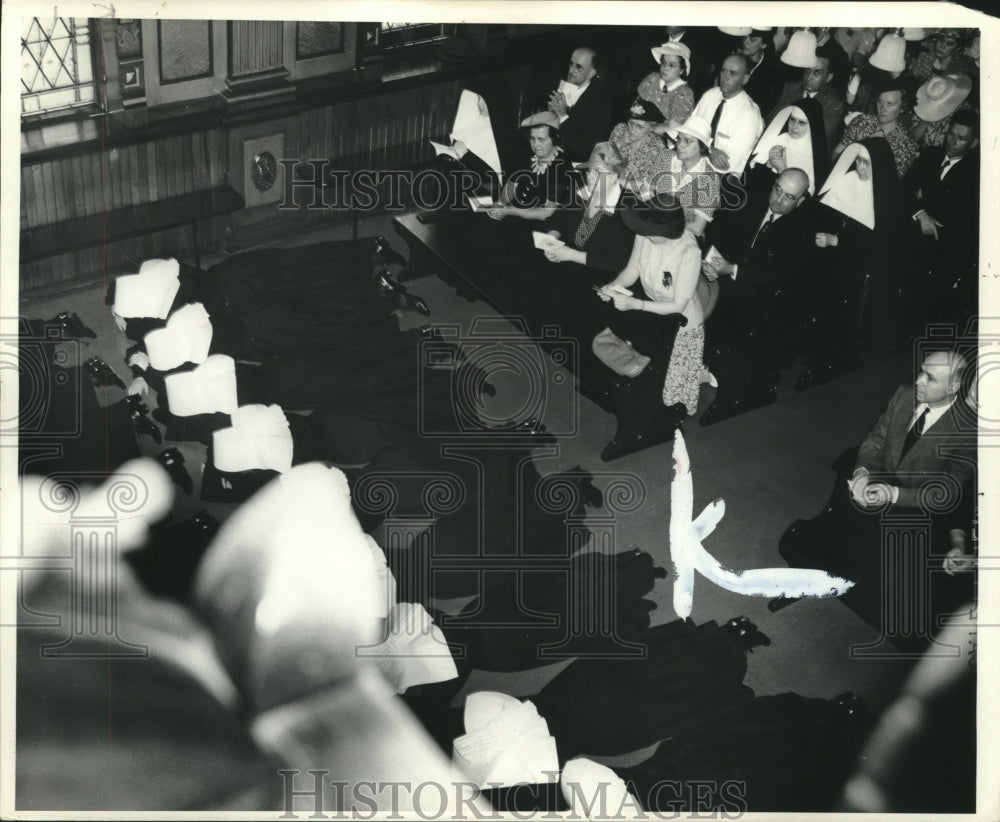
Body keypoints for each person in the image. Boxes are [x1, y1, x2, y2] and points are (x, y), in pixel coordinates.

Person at [775, 349, 976, 638]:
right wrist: (862, 472)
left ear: (953, 387)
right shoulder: (905, 394)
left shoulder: (966, 429)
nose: (918, 380)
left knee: (882, 561)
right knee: (845, 524)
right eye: (920, 371)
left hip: (918, 508)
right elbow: (876, 439)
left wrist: (894, 494)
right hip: (879, 484)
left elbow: (947, 491)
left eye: (930, 378)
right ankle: (822, 564)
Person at [699, 168, 815, 425]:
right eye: (777, 190)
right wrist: (711, 261)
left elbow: (780, 274)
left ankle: (721, 369)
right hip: (734, 277)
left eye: (788, 197)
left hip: (771, 296)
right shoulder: (753, 201)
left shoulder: (803, 229)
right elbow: (719, 231)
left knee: (733, 309)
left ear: (801, 200)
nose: (777, 200)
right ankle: (700, 359)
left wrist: (732, 270)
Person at [594, 194, 701, 460]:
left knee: (667, 384)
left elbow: (678, 305)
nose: (649, 236)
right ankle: (637, 409)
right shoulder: (644, 234)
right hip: (652, 310)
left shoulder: (690, 252)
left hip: (681, 322)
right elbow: (631, 273)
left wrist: (636, 305)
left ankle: (657, 423)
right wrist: (612, 287)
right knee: (646, 369)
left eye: (656, 232)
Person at [796, 139, 904, 390]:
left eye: (867, 163)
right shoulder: (847, 180)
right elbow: (825, 212)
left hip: (859, 269)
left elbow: (879, 244)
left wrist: (837, 241)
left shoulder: (886, 195)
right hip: (830, 259)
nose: (860, 167)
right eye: (858, 160)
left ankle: (836, 358)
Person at [903, 108, 980, 330]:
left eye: (961, 138)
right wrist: (921, 212)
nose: (952, 141)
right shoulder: (931, 154)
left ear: (973, 143)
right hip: (914, 234)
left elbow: (963, 222)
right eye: (951, 134)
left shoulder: (976, 173)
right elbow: (904, 189)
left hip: (946, 250)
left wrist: (922, 200)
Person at [537, 141, 633, 279]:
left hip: (598, 276)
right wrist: (552, 240)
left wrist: (570, 255)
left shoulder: (627, 206)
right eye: (589, 170)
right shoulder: (580, 188)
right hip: (565, 262)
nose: (590, 177)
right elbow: (557, 219)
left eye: (598, 172)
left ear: (613, 177)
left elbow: (617, 261)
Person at [482, 111, 575, 222]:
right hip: (513, 215)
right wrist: (499, 205)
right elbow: (511, 186)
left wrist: (508, 211)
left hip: (540, 225)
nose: (535, 145)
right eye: (532, 138)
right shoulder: (528, 154)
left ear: (554, 139)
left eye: (541, 139)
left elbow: (546, 213)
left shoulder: (562, 166)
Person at [690, 53, 764, 174]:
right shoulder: (710, 95)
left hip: (719, 179)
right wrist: (710, 150)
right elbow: (689, 131)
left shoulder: (749, 115)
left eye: (733, 73)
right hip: (691, 164)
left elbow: (729, 165)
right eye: (723, 71)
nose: (725, 77)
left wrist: (700, 148)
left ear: (745, 79)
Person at [746, 98, 831, 196]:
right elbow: (752, 175)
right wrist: (768, 165)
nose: (794, 125)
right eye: (792, 119)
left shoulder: (816, 158)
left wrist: (782, 169)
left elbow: (803, 197)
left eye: (802, 122)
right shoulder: (778, 138)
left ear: (812, 125)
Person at [769, 46, 847, 148]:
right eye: (807, 70)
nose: (809, 77)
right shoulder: (792, 87)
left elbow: (816, 140)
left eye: (817, 73)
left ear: (829, 77)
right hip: (778, 143)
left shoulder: (834, 104)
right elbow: (772, 119)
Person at [659, 116, 722, 238]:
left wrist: (663, 222)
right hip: (651, 223)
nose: (680, 145)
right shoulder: (666, 157)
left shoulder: (709, 179)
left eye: (687, 141)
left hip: (681, 234)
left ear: (702, 147)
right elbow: (646, 188)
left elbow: (697, 228)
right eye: (679, 139)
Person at [836, 84, 919, 178]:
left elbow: (892, 182)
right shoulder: (862, 121)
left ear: (902, 108)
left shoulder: (906, 144)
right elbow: (837, 153)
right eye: (880, 102)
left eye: (890, 104)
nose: (883, 108)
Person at [547, 46, 612, 162]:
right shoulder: (558, 87)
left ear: (591, 73)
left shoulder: (600, 102)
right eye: (571, 64)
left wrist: (562, 116)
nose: (571, 70)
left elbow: (582, 150)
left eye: (578, 67)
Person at [609, 98, 671, 193]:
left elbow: (651, 187)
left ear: (652, 127)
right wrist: (619, 144)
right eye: (631, 123)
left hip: (631, 197)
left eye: (639, 127)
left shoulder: (658, 148)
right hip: (605, 187)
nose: (632, 131)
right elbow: (600, 161)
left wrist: (617, 182)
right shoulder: (620, 130)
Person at [637, 41, 696, 130]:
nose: (665, 67)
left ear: (681, 70)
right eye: (663, 62)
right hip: (636, 128)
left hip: (660, 139)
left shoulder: (684, 93)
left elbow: (673, 130)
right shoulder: (652, 78)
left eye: (672, 65)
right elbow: (635, 108)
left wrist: (646, 129)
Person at [740, 28, 781, 114]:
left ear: (764, 45)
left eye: (752, 39)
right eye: (744, 37)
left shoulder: (770, 74)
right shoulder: (735, 60)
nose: (746, 42)